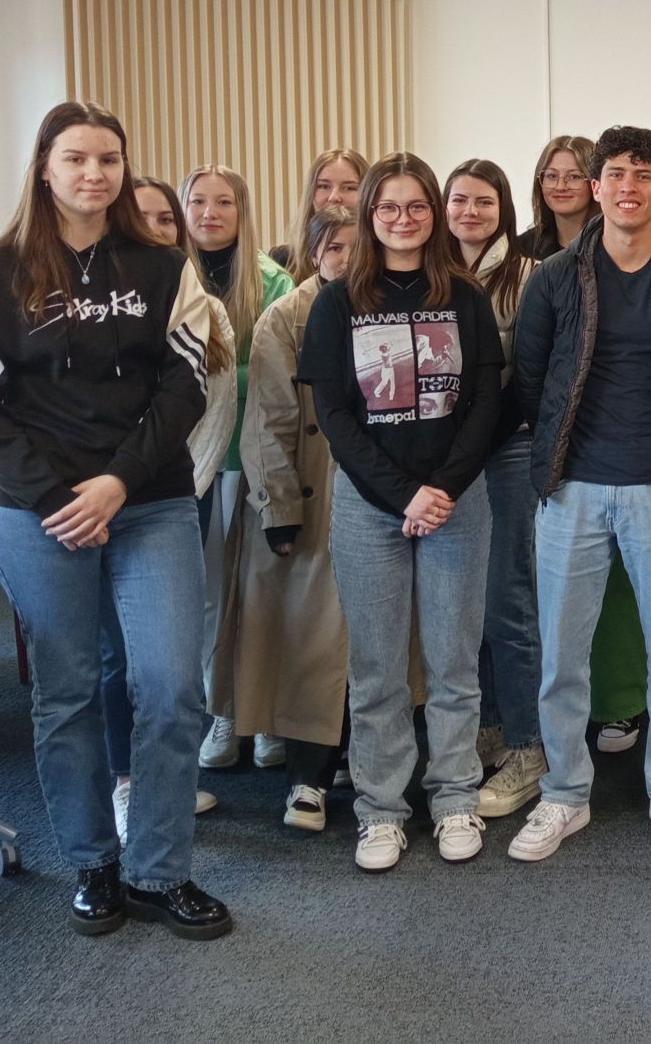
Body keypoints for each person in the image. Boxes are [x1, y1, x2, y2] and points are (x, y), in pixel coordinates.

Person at [0, 101, 231, 939]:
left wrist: (114, 484)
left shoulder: (161, 265)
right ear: (45, 167)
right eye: (76, 159)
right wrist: (57, 499)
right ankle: (94, 866)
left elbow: (184, 387)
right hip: (38, 518)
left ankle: (159, 869)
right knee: (67, 692)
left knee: (173, 689)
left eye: (109, 159)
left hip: (148, 505)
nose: (94, 174)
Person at [505, 125, 651, 863]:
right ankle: (566, 793)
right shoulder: (556, 277)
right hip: (572, 488)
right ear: (595, 186)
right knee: (563, 653)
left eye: (644, 175)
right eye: (615, 174)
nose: (627, 187)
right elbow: (531, 379)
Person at [297, 153, 504, 871]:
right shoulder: (337, 302)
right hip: (369, 506)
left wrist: (441, 489)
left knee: (453, 664)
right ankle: (382, 810)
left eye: (417, 206)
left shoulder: (466, 297)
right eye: (389, 208)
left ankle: (453, 799)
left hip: (457, 502)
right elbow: (334, 414)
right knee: (378, 668)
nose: (404, 219)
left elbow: (485, 405)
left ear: (433, 214)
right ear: (369, 215)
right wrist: (402, 494)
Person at [104, 176, 237, 841]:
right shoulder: (101, 304)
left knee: (170, 662)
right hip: (101, 499)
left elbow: (210, 416)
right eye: (147, 218)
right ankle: (126, 783)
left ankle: (165, 786)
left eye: (165, 220)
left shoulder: (203, 308)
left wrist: (190, 485)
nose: (158, 229)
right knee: (114, 655)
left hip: (176, 493)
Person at [223, 204, 362, 834]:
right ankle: (306, 777)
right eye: (332, 246)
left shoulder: (389, 305)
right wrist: (279, 508)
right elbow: (269, 421)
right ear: (312, 252)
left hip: (378, 493)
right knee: (312, 645)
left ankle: (360, 760)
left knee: (376, 642)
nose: (344, 257)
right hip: (310, 495)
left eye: (356, 246)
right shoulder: (286, 316)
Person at [515, 133, 647, 756]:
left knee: (624, 598)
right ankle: (560, 770)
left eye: (575, 173)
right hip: (566, 467)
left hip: (647, 470)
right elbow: (531, 374)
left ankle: (620, 703)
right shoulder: (533, 263)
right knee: (556, 613)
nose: (563, 184)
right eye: (552, 174)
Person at [443, 158, 549, 821]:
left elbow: (531, 375)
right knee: (462, 600)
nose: (469, 212)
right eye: (458, 200)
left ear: (503, 208)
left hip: (507, 449)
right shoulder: (431, 274)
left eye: (483, 201)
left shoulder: (528, 276)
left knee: (508, 599)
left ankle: (529, 747)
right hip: (448, 460)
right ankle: (488, 725)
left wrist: (477, 439)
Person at [181, 163, 294, 773]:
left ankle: (266, 713)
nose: (211, 213)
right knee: (206, 598)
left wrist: (221, 377)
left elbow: (278, 376)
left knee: (260, 590)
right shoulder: (167, 278)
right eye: (198, 201)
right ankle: (221, 710)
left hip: (253, 458)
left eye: (224, 202)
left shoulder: (271, 280)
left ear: (242, 211)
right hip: (191, 461)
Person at [269, 148, 368, 274]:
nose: (334, 197)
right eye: (324, 186)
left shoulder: (386, 259)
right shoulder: (282, 261)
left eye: (349, 188)